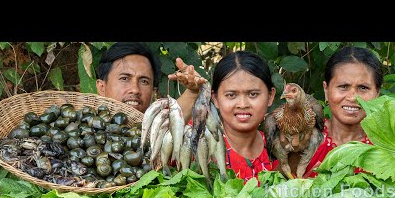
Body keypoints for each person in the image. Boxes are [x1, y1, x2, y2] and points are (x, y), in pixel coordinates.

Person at [301, 46, 395, 194]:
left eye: (363, 88)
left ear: (377, 93)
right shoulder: (303, 138)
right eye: (343, 86)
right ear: (326, 90)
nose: (353, 97)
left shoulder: (393, 148)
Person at [211, 50, 279, 183]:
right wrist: (191, 93)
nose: (242, 104)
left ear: (270, 96)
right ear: (216, 99)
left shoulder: (280, 147)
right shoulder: (202, 145)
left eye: (253, 94)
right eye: (231, 95)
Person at [95, 42, 207, 119]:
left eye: (144, 81)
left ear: (154, 91)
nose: (135, 89)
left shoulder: (158, 134)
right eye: (124, 79)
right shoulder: (81, 125)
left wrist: (193, 91)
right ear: (102, 87)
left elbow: (173, 123)